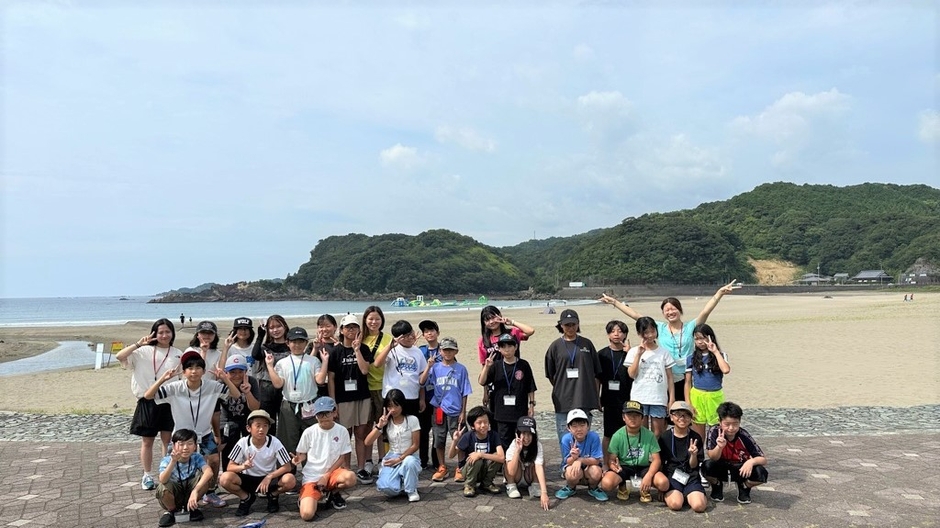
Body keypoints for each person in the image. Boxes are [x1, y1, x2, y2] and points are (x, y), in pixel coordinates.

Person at [600, 280, 738, 405]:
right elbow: (636, 315)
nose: (670, 312)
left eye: (673, 309)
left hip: (688, 376)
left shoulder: (690, 327)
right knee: (668, 412)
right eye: (666, 310)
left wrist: (719, 293)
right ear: (663, 313)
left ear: (680, 310)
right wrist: (615, 302)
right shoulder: (659, 328)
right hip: (667, 376)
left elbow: (705, 311)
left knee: (686, 411)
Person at [145, 349, 241, 509]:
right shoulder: (175, 387)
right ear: (184, 372)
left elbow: (236, 395)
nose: (194, 371)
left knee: (214, 460)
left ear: (203, 371)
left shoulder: (212, 386)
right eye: (189, 368)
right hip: (181, 436)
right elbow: (148, 396)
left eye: (198, 368)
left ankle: (210, 492)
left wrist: (225, 378)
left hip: (205, 433)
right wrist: (163, 379)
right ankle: (176, 495)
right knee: (175, 463)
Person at [116, 318, 183, 491]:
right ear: (154, 333)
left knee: (168, 440)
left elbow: (183, 378)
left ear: (172, 333)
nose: (164, 335)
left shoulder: (178, 353)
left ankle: (166, 472)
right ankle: (147, 475)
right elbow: (120, 356)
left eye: (168, 332)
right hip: (147, 400)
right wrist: (138, 344)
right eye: (160, 332)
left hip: (169, 400)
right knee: (147, 441)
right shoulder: (142, 351)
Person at [544, 309, 602, 451]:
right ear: (561, 326)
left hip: (584, 398)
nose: (570, 328)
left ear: (578, 324)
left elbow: (596, 373)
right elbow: (551, 375)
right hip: (563, 400)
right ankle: (567, 462)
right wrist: (562, 387)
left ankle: (585, 460)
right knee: (565, 436)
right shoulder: (555, 346)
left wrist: (595, 396)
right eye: (567, 325)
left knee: (583, 435)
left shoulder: (587, 344)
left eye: (573, 324)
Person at [264, 327, 329, 455]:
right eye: (294, 342)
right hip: (288, 405)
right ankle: (288, 467)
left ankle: (310, 466)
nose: (297, 345)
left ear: (306, 343)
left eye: (301, 342)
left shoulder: (313, 361)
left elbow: (320, 380)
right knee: (288, 440)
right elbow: (278, 384)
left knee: (311, 440)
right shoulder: (282, 363)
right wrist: (270, 366)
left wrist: (325, 361)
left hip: (309, 404)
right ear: (287, 343)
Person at [327, 314, 375, 485]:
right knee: (345, 435)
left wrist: (356, 350)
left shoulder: (364, 349)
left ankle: (361, 468)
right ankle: (346, 468)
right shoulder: (335, 352)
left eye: (354, 327)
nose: (351, 330)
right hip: (343, 399)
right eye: (348, 327)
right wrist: (333, 402)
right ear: (341, 330)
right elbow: (331, 378)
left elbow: (364, 370)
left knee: (361, 434)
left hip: (362, 397)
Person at [220, 410, 296, 516]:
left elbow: (287, 466)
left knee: (290, 480)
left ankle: (273, 495)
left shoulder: (275, 442)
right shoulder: (242, 442)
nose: (261, 429)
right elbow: (230, 467)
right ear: (249, 428)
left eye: (265, 426)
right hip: (248, 479)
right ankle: (246, 497)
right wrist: (243, 466)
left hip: (269, 479)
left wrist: (270, 476)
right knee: (224, 478)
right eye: (258, 425)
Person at [293, 396, 357, 520]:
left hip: (332, 473)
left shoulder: (342, 431)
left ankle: (333, 493)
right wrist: (298, 459)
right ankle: (307, 496)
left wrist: (326, 476)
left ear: (334, 412)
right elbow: (301, 453)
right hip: (312, 476)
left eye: (327, 413)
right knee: (307, 515)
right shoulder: (309, 432)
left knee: (350, 478)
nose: (324, 417)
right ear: (315, 416)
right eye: (320, 414)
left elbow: (342, 457)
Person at [421, 336, 472, 483]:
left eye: (451, 350)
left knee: (459, 438)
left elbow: (465, 392)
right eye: (445, 350)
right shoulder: (435, 368)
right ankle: (442, 466)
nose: (448, 353)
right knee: (439, 439)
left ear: (456, 351)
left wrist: (463, 411)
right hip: (439, 409)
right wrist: (428, 366)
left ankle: (460, 467)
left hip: (456, 410)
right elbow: (422, 382)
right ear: (440, 351)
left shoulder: (461, 369)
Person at [599, 400, 667, 503]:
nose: (633, 418)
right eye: (629, 415)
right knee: (606, 483)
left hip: (643, 466)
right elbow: (611, 459)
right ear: (623, 417)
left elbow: (656, 459)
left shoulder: (649, 435)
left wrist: (649, 476)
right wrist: (614, 466)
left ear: (642, 418)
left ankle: (645, 487)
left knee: (663, 483)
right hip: (624, 466)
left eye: (636, 415)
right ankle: (623, 485)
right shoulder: (617, 435)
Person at [478, 333, 537, 451]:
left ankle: (520, 462)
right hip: (501, 413)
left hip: (520, 412)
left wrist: (531, 405)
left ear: (516, 347)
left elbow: (530, 386)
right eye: (503, 346)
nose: (507, 349)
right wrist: (487, 367)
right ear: (499, 349)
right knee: (504, 443)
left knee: (521, 442)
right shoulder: (496, 365)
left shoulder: (523, 365)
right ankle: (505, 463)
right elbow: (481, 381)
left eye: (510, 346)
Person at [703, 401, 769, 504]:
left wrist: (751, 462)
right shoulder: (714, 431)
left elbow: (763, 459)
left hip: (740, 468)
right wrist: (719, 447)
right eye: (727, 424)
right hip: (721, 466)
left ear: (740, 422)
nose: (731, 428)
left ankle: (744, 486)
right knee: (706, 466)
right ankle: (717, 485)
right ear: (720, 421)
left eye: (735, 424)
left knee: (761, 473)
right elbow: (712, 457)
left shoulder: (743, 435)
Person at [364, 389, 422, 502]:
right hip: (392, 455)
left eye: (396, 406)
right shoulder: (386, 422)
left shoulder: (412, 420)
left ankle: (411, 489)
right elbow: (367, 442)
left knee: (409, 462)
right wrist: (379, 426)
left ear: (402, 405)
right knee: (387, 489)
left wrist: (400, 459)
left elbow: (415, 445)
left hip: (409, 455)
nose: (393, 410)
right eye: (390, 406)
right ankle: (401, 483)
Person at [625, 317, 675, 437]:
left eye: (653, 331)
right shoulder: (633, 351)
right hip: (639, 397)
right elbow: (632, 374)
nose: (650, 335)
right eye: (646, 332)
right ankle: (643, 450)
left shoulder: (664, 352)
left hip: (658, 398)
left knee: (658, 432)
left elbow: (670, 378)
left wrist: (671, 399)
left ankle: (655, 450)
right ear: (639, 333)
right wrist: (638, 355)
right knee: (641, 431)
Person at [155, 428, 212, 527]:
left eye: (190, 443)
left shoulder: (196, 457)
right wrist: (173, 462)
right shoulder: (167, 460)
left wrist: (195, 491)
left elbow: (209, 472)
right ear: (174, 446)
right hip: (174, 494)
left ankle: (191, 507)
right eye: (181, 444)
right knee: (163, 486)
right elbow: (162, 479)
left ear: (195, 446)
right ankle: (172, 511)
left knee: (206, 478)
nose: (185, 448)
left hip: (190, 492)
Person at [685, 323, 731, 442]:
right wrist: (688, 403)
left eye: (703, 338)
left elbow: (726, 370)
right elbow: (688, 382)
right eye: (697, 339)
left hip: (714, 396)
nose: (700, 342)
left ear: (710, 337)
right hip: (697, 396)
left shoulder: (721, 355)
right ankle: (699, 453)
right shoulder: (691, 358)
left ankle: (715, 452)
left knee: (716, 431)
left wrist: (715, 352)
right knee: (698, 435)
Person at [597, 320, 633, 470]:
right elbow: (597, 378)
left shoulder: (631, 353)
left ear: (625, 334)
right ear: (608, 335)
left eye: (620, 331)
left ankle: (626, 462)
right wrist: (597, 397)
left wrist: (630, 353)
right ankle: (606, 463)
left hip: (627, 399)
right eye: (613, 331)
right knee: (608, 434)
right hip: (609, 399)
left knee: (628, 432)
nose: (616, 334)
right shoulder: (601, 354)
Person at [362, 305, 393, 473]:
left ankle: (382, 459)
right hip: (364, 388)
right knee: (367, 426)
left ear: (382, 320)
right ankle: (367, 461)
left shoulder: (388, 339)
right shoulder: (360, 338)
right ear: (365, 320)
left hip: (383, 387)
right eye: (370, 319)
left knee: (382, 426)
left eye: (377, 319)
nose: (374, 322)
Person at [658, 401, 706, 512]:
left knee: (699, 506)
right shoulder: (665, 437)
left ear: (691, 418)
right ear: (671, 417)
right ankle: (679, 495)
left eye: (686, 415)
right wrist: (662, 487)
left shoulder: (696, 437)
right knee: (676, 504)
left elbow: (694, 466)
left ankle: (691, 494)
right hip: (672, 475)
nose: (682, 418)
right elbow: (660, 462)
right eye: (678, 414)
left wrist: (693, 455)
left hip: (691, 476)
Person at [373, 320, 428, 417]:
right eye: (405, 336)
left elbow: (421, 376)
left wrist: (422, 399)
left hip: (412, 396)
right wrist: (389, 347)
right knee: (391, 425)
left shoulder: (417, 352)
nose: (410, 337)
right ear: (398, 338)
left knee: (411, 424)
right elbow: (377, 364)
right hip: (393, 397)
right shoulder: (392, 350)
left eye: (411, 333)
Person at [218, 354, 261, 476]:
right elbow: (215, 411)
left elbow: (255, 408)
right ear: (226, 373)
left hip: (247, 418)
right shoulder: (221, 383)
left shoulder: (252, 381)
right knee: (229, 447)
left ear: (246, 372)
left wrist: (247, 392)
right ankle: (229, 474)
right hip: (228, 419)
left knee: (250, 446)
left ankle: (251, 473)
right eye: (232, 372)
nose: (237, 375)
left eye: (240, 372)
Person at [449, 405, 505, 497]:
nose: (483, 425)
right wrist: (455, 441)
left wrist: (480, 454)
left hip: (484, 468)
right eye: (479, 423)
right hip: (469, 470)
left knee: (495, 456)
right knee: (476, 459)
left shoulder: (494, 435)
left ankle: (487, 483)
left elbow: (502, 458)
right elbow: (451, 456)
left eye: (486, 422)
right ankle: (469, 485)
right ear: (472, 426)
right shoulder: (468, 436)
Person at [250, 315, 291, 434]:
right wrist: (260, 335)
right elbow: (255, 355)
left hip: (286, 386)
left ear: (285, 327)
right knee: (267, 420)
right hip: (266, 387)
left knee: (286, 422)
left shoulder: (291, 346)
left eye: (278, 326)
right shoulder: (266, 348)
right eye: (271, 328)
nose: (275, 330)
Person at [555, 408, 607, 501]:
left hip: (590, 466)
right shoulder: (566, 439)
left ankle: (593, 488)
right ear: (568, 428)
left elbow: (596, 460)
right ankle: (570, 487)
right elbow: (567, 461)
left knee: (596, 471)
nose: (579, 429)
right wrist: (573, 457)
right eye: (574, 426)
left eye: (582, 425)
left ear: (588, 426)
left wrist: (580, 460)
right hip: (574, 467)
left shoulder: (594, 437)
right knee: (571, 472)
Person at [504, 416, 550, 510]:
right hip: (516, 476)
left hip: (529, 475)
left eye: (529, 434)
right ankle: (511, 485)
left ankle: (535, 485)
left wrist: (544, 492)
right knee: (508, 462)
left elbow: (539, 467)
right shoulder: (513, 444)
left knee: (541, 461)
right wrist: (517, 451)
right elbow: (511, 471)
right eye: (523, 433)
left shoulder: (537, 445)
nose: (526, 438)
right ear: (518, 433)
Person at [417, 319, 441, 469]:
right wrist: (421, 398)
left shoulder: (445, 350)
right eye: (426, 331)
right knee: (423, 430)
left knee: (438, 430)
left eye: (431, 330)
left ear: (437, 332)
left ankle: (437, 461)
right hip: (425, 397)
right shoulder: (420, 351)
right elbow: (418, 376)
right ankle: (423, 460)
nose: (429, 333)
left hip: (439, 399)